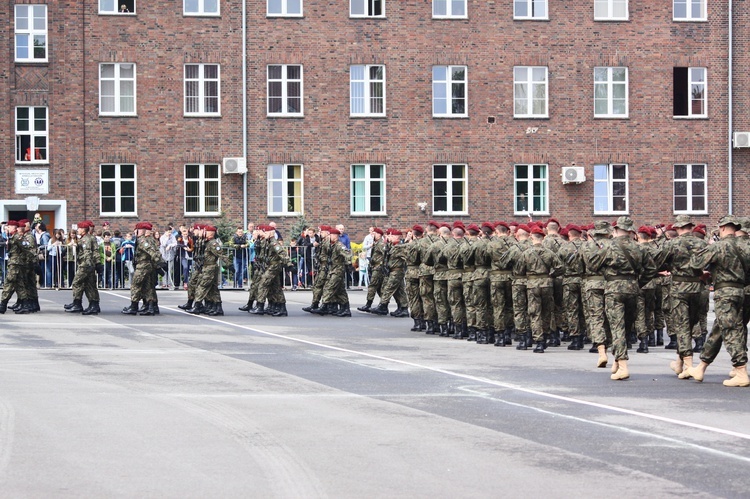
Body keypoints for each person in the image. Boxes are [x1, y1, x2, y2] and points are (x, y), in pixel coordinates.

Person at [587, 216, 657, 380]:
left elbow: (592, 265)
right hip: (633, 288)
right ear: (631, 231)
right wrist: (639, 282)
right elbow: (651, 269)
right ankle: (617, 362)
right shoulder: (639, 248)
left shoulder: (609, 246)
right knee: (626, 327)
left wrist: (606, 270)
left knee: (616, 327)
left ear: (616, 230)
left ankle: (623, 365)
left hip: (613, 289)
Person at [685, 215, 750, 387]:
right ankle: (701, 367)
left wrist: (702, 275)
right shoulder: (744, 246)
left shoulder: (719, 246)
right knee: (718, 330)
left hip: (724, 293)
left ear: (722, 228)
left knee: (730, 330)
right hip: (740, 292)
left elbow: (695, 262)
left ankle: (741, 370)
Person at [122, 222, 163, 316]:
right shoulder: (146, 239)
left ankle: (134, 306)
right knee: (148, 286)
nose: (135, 232)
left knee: (135, 285)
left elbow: (151, 251)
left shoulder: (142, 240)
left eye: (137, 230)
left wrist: (159, 263)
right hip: (147, 265)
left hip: (143, 266)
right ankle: (151, 307)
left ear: (141, 231)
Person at [64, 221, 100, 315]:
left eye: (79, 228)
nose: (77, 230)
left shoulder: (85, 239)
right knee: (90, 285)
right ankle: (94, 305)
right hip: (88, 264)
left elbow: (87, 252)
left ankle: (77, 304)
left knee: (76, 283)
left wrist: (88, 265)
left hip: (85, 264)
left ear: (83, 230)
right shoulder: (86, 238)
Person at [187, 225, 224, 316]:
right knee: (213, 288)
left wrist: (229, 265)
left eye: (206, 231)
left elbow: (221, 254)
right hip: (206, 267)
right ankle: (218, 308)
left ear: (210, 233)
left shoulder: (213, 243)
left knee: (202, 286)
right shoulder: (207, 242)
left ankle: (197, 306)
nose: (204, 232)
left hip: (210, 268)